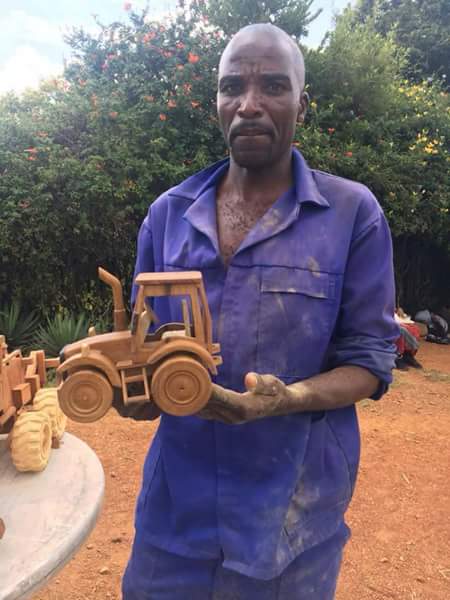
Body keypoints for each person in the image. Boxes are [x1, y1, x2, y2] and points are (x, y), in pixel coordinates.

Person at [122, 23, 399, 599]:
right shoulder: (167, 216)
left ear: (302, 100)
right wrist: (135, 393)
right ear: (217, 103)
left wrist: (286, 398)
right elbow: (142, 350)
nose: (249, 104)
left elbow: (370, 363)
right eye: (232, 87)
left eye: (272, 85)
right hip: (174, 522)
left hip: (292, 522)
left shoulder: (352, 215)